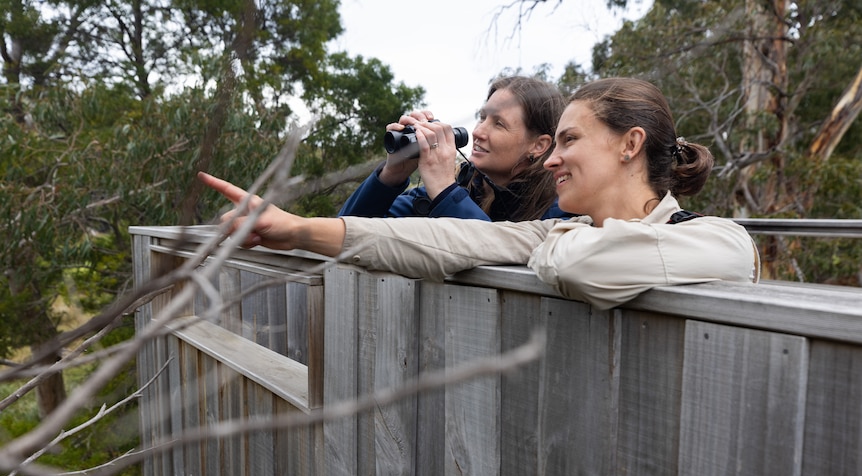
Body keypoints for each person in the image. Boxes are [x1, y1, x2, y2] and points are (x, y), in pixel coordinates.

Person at [198, 77, 759, 310]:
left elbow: (584, 266)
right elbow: (435, 241)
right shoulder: (555, 232)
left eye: (569, 140)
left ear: (629, 144)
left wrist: (549, 242)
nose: (557, 158)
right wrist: (296, 228)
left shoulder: (720, 238)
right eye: (479, 118)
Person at [338, 75, 570, 221]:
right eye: (482, 118)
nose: (478, 131)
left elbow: (493, 250)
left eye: (498, 124)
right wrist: (390, 176)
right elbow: (349, 230)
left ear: (539, 145)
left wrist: (446, 191)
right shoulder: (460, 188)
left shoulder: (559, 210)